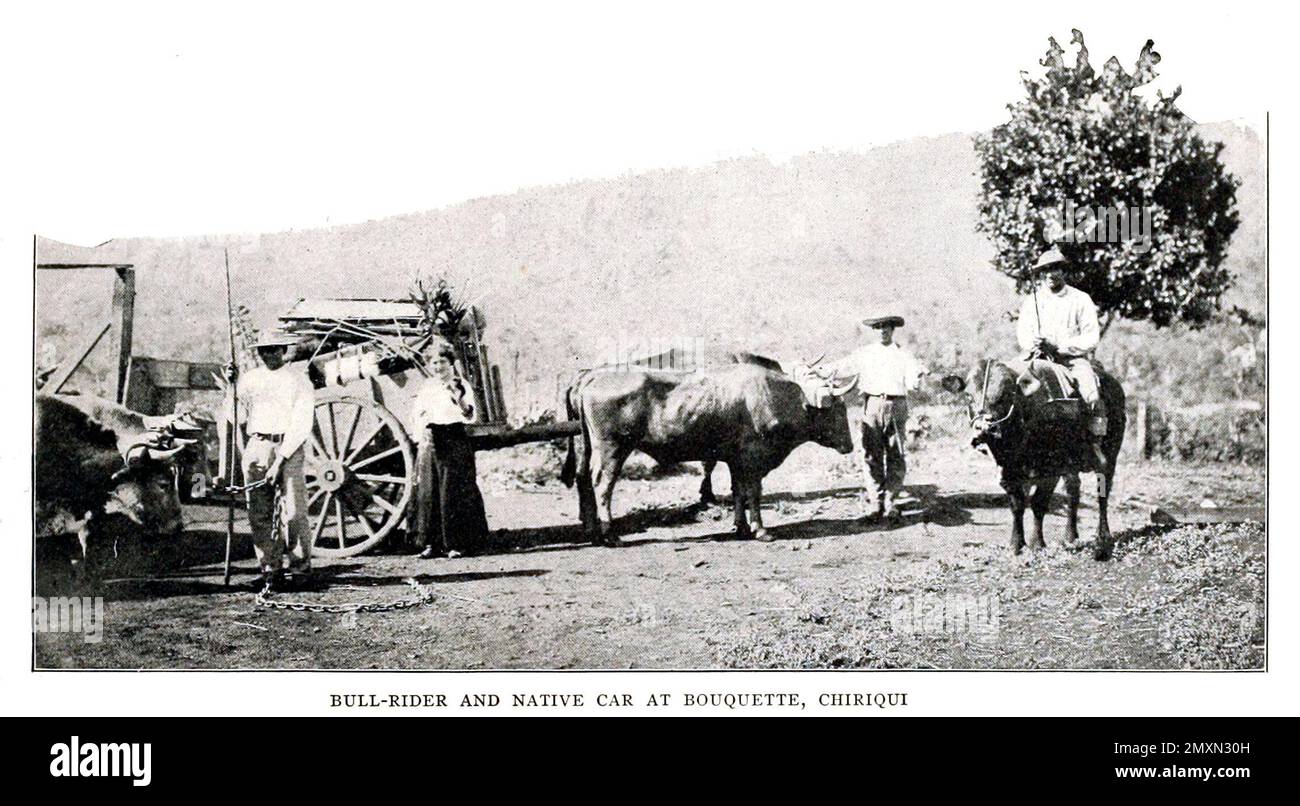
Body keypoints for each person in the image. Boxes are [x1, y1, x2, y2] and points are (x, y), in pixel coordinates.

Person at [223, 331, 316, 591]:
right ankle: (270, 570)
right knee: (259, 512)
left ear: (283, 350)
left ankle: (300, 570)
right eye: (264, 351)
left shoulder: (298, 381)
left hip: (289, 447)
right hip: (257, 445)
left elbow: (302, 423)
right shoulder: (250, 380)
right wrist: (231, 386)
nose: (269, 355)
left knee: (295, 513)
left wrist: (280, 461)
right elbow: (236, 417)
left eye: (274, 349)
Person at [830, 315, 927, 525]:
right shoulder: (864, 354)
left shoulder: (903, 354)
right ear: (873, 330)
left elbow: (913, 381)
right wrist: (816, 371)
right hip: (872, 404)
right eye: (878, 327)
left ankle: (891, 502)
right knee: (870, 454)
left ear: (893, 330)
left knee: (896, 453)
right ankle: (876, 501)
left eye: (887, 327)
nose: (883, 331)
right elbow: (841, 368)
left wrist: (918, 376)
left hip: (897, 405)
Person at [1015, 246, 1107, 465]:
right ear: (1040, 274)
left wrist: (1058, 346)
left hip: (1071, 361)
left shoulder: (1080, 299)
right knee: (1010, 387)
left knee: (1092, 394)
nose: (1050, 274)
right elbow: (1023, 334)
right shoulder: (1032, 301)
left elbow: (1091, 336)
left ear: (1064, 272)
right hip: (1037, 359)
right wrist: (1034, 343)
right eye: (1045, 270)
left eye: (1055, 269)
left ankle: (1094, 444)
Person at [412, 344, 489, 559]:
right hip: (431, 441)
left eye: (442, 362)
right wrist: (420, 439)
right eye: (434, 363)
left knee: (452, 492)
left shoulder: (460, 384)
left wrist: (459, 399)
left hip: (454, 440)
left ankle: (456, 544)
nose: (438, 367)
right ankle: (430, 544)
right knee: (428, 493)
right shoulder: (427, 387)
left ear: (451, 363)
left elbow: (469, 416)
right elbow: (417, 414)